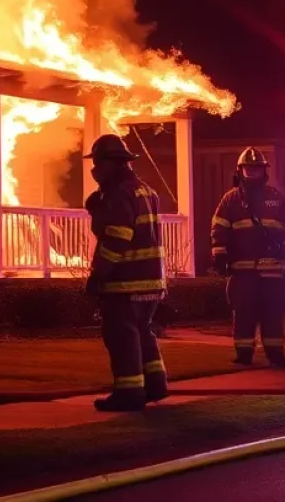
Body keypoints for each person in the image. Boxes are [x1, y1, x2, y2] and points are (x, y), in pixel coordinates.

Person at [84, 134, 169, 412]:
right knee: (143, 332)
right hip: (151, 281)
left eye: (97, 162)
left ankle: (129, 393)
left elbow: (117, 236)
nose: (94, 169)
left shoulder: (119, 193)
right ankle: (155, 384)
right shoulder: (147, 190)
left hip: (125, 281)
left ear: (112, 163)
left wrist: (99, 274)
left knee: (121, 336)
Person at [210, 146, 285, 368]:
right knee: (243, 313)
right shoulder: (230, 200)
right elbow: (218, 229)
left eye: (256, 168)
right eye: (248, 168)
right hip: (242, 271)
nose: (252, 172)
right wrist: (219, 254)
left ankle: (276, 354)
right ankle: (243, 354)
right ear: (240, 171)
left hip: (272, 270)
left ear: (264, 171)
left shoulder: (277, 199)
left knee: (272, 313)